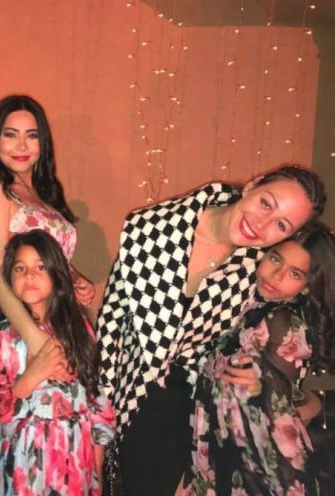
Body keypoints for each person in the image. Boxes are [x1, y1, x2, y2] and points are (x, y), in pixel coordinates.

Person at [96, 165, 326, 495]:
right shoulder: (152, 227)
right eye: (266, 203)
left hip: (192, 412)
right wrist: (99, 414)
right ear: (252, 185)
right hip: (123, 393)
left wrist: (263, 380)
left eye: (281, 225)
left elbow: (279, 342)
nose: (262, 224)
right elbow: (111, 326)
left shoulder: (257, 265)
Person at [0, 94, 94, 491]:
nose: (22, 145)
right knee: (22, 435)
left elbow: (45, 253)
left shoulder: (44, 191)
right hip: (19, 330)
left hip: (61, 321)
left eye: (32, 135)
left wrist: (74, 276)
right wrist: (35, 340)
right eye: (10, 134)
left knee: (67, 426)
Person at [182, 222, 335, 495]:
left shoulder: (284, 321)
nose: (276, 275)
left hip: (260, 467)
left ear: (307, 286)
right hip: (223, 449)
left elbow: (281, 401)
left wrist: (261, 383)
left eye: (295, 273)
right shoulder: (250, 305)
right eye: (276, 259)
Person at [0, 230, 115, 495]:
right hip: (22, 469)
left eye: (40, 267)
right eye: (20, 268)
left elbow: (97, 407)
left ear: (57, 275)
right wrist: (32, 376)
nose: (30, 275)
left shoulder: (77, 329)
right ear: (7, 277)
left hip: (76, 467)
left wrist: (96, 479)